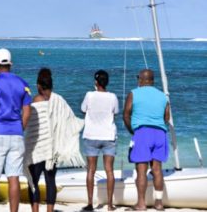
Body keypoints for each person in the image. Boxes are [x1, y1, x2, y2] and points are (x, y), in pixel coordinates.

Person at [24, 68, 85, 212]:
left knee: (33, 181)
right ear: (52, 85)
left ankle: (35, 210)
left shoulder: (35, 101)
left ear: (38, 85)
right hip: (53, 150)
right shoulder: (60, 101)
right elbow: (69, 121)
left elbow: (31, 129)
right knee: (51, 181)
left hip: (37, 149)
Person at [0, 48, 32, 212]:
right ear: (11, 64)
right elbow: (27, 112)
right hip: (16, 133)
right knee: (14, 177)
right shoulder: (23, 84)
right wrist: (20, 128)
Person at [123, 69, 170, 211]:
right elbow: (167, 117)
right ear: (152, 80)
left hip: (142, 132)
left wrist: (133, 131)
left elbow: (126, 114)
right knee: (157, 169)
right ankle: (159, 203)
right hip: (160, 133)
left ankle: (141, 204)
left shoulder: (134, 93)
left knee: (141, 170)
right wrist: (160, 126)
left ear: (142, 80)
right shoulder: (163, 96)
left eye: (139, 78)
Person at [81, 70, 119, 211]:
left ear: (96, 82)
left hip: (91, 135)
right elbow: (115, 112)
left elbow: (83, 109)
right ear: (107, 82)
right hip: (108, 136)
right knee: (109, 171)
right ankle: (109, 205)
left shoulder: (89, 95)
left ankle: (90, 204)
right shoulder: (113, 96)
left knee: (91, 170)